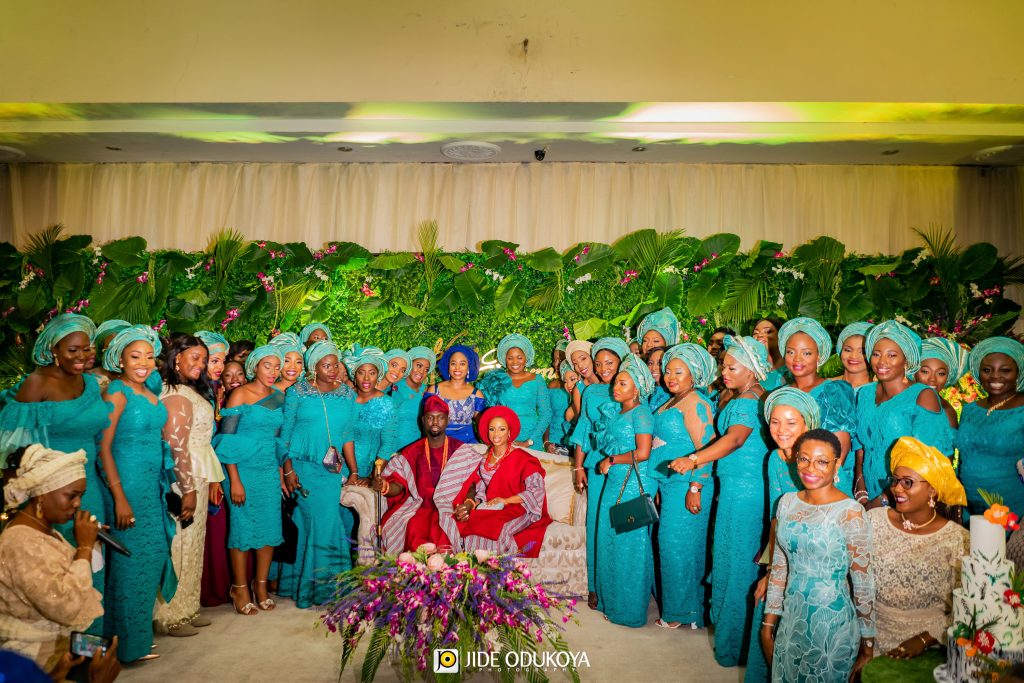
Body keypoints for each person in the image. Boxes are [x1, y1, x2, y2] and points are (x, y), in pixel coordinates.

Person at [0, 314, 111, 635]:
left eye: (86, 349)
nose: (81, 357)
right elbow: (11, 445)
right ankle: (62, 658)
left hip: (89, 488)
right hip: (51, 492)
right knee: (56, 576)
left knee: (94, 565)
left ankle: (93, 651)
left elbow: (99, 440)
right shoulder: (38, 383)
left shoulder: (91, 384)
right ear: (53, 349)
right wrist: (16, 498)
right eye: (72, 350)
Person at [670, 335, 770, 667]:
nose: (723, 371)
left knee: (737, 565)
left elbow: (735, 439)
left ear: (752, 371)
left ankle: (735, 647)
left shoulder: (745, 403)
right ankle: (737, 643)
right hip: (739, 490)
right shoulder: (749, 397)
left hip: (743, 494)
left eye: (731, 366)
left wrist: (694, 460)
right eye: (723, 365)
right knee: (734, 561)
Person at [762, 429, 876, 682]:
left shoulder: (850, 512)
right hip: (791, 622)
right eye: (804, 459)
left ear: (837, 463)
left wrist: (868, 646)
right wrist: (768, 624)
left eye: (822, 461)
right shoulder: (786, 502)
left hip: (832, 629)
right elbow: (780, 567)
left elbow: (863, 583)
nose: (810, 468)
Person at [96, 326, 174, 663]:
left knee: (152, 557)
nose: (143, 362)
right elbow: (103, 447)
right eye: (134, 356)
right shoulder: (116, 393)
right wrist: (119, 497)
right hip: (126, 484)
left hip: (151, 484)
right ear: (120, 359)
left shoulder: (151, 393)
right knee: (129, 564)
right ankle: (125, 644)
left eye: (148, 356)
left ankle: (134, 637)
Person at [0, 445, 106, 674]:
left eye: (80, 496)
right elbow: (65, 606)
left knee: (106, 650)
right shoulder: (21, 542)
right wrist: (85, 547)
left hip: (57, 641)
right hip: (32, 659)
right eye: (71, 495)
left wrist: (88, 545)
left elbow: (69, 575)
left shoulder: (45, 529)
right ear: (42, 493)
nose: (78, 504)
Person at [867, 437, 968, 661]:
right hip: (871, 640)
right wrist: (864, 645)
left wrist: (925, 638)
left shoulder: (958, 539)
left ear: (932, 489)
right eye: (894, 481)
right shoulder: (874, 521)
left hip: (930, 648)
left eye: (908, 482)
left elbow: (968, 608)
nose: (896, 489)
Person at [745, 387, 821, 683]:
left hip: (817, 556)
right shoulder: (775, 458)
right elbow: (777, 519)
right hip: (784, 550)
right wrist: (770, 569)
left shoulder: (817, 457)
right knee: (765, 601)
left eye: (791, 422)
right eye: (775, 422)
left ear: (807, 424)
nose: (781, 430)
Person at [275, 340, 358, 608]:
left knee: (326, 521)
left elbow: (347, 434)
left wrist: (353, 469)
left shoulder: (347, 393)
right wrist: (287, 470)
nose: (332, 370)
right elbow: (285, 434)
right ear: (314, 367)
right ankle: (315, 589)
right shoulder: (297, 392)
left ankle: (318, 586)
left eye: (335, 364)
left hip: (331, 469)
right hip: (303, 466)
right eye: (326, 365)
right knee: (312, 522)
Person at [215, 345, 293, 616]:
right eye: (266, 366)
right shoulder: (239, 394)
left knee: (270, 528)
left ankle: (260, 586)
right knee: (242, 529)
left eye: (276, 366)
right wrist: (234, 480)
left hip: (267, 469)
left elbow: (278, 439)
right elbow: (227, 439)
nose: (273, 372)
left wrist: (284, 472)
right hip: (241, 469)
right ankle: (240, 587)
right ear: (254, 367)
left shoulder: (278, 396)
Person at [154, 334, 223, 636]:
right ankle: (170, 615)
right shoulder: (176, 394)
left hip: (198, 471)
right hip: (185, 476)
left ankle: (187, 607)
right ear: (176, 358)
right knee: (180, 543)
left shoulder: (188, 390)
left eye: (204, 360)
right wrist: (188, 489)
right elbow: (176, 447)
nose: (201, 364)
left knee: (193, 542)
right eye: (194, 358)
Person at [650, 344, 717, 630]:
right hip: (668, 483)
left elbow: (708, 447)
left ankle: (679, 613)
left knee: (676, 544)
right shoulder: (670, 401)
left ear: (695, 375)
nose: (670, 376)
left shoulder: (696, 403)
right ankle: (689, 610)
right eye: (668, 371)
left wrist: (695, 487)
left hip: (687, 484)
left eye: (679, 372)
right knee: (678, 545)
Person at [854, 321, 952, 508]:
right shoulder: (865, 393)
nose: (882, 361)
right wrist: (860, 485)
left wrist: (883, 499)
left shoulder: (922, 396)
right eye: (876, 354)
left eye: (892, 355)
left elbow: (927, 458)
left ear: (906, 361)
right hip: (868, 490)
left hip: (907, 496)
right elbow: (861, 444)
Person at [592, 354, 658, 627]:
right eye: (616, 383)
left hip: (632, 480)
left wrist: (610, 460)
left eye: (622, 383)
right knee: (611, 540)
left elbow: (643, 452)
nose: (615, 388)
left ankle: (629, 611)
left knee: (630, 545)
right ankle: (613, 601)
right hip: (617, 479)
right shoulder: (621, 411)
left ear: (638, 387)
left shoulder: (641, 412)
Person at [568, 336, 630, 610]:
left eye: (610, 363)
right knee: (595, 524)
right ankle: (594, 586)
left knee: (619, 525)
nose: (604, 368)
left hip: (624, 464)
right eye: (598, 363)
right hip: (594, 464)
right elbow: (582, 429)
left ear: (621, 363)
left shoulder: (632, 390)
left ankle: (618, 586)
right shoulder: (590, 393)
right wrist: (578, 466)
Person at [375, 394, 482, 553]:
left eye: (440, 418)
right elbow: (398, 485)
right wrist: (385, 486)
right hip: (420, 505)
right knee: (413, 526)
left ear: (447, 420)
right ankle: (415, 574)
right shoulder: (411, 452)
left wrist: (468, 503)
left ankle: (449, 574)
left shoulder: (461, 450)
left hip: (452, 504)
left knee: (447, 526)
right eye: (430, 417)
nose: (435, 422)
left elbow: (472, 483)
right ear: (423, 421)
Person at [451, 406, 551, 556]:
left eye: (501, 429)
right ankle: (473, 573)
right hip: (493, 508)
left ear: (509, 433)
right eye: (492, 429)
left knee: (498, 529)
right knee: (470, 525)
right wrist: (475, 503)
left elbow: (537, 490)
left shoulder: (523, 458)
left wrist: (505, 500)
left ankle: (501, 573)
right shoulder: (483, 460)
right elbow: (481, 489)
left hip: (519, 507)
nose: (496, 434)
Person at [777, 317, 857, 493]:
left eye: (806, 353)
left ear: (819, 356)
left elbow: (841, 447)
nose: (797, 359)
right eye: (791, 352)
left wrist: (819, 485)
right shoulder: (782, 393)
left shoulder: (834, 391)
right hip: (786, 474)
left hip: (824, 479)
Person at [956, 336, 1024, 515]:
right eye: (987, 369)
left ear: (1018, 372)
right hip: (967, 504)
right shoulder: (970, 409)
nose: (995, 376)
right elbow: (963, 458)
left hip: (1011, 506)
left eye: (1005, 370)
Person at [477, 334, 551, 449]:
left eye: (519, 357)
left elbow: (546, 413)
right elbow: (489, 412)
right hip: (504, 439)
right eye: (510, 358)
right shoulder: (497, 380)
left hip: (532, 439)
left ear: (526, 358)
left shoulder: (537, 380)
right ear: (504, 359)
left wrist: (529, 441)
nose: (515, 362)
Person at [347, 347, 400, 477]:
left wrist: (374, 476)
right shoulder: (345, 399)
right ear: (354, 376)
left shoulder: (387, 403)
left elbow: (388, 443)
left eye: (372, 373)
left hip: (371, 470)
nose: (366, 378)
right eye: (361, 372)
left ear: (378, 376)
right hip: (340, 469)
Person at [425, 344, 486, 444]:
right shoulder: (434, 391)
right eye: (453, 363)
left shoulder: (476, 395)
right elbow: (426, 422)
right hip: (439, 443)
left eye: (462, 364)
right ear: (448, 366)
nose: (457, 368)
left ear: (469, 367)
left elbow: (482, 424)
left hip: (468, 444)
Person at [915, 336, 968, 428]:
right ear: (914, 372)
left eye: (941, 373)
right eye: (925, 371)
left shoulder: (947, 414)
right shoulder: (897, 396)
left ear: (948, 377)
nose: (932, 379)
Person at [390, 346, 435, 452]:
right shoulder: (394, 387)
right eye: (419, 365)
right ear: (410, 364)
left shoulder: (428, 392)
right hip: (392, 450)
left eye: (426, 369)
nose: (422, 371)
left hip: (417, 451)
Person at [544, 360, 577, 454]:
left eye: (561, 358)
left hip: (576, 443)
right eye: (555, 359)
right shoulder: (552, 385)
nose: (557, 363)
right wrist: (546, 441)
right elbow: (547, 415)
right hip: (553, 441)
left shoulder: (584, 389)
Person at [89, 319, 130, 391]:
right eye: (109, 348)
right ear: (102, 351)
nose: (113, 354)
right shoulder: (89, 378)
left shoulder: (135, 376)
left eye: (118, 348)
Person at [195, 330, 229, 414]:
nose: (221, 367)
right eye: (215, 361)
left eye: (223, 361)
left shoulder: (214, 386)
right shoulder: (191, 389)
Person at [752, 317, 789, 390]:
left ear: (781, 336)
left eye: (768, 331)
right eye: (755, 333)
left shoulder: (792, 371)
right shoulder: (750, 372)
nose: (759, 335)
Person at [835, 322, 873, 391]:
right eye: (848, 350)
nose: (853, 356)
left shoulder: (881, 392)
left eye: (863, 352)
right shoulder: (823, 386)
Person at [644, 346, 671, 411]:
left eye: (659, 363)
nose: (653, 368)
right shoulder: (646, 391)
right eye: (650, 363)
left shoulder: (673, 394)